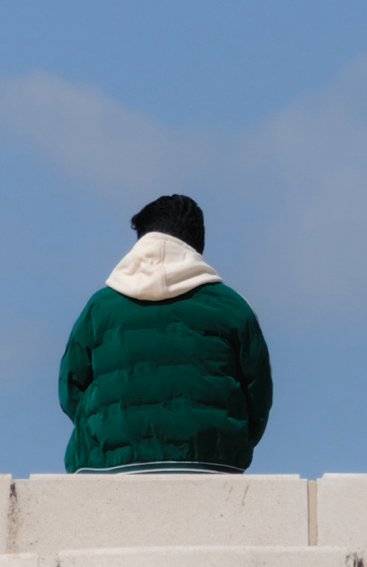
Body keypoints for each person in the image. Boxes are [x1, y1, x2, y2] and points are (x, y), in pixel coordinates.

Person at [59, 193, 272, 474]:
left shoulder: (100, 307)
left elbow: (70, 388)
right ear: (197, 246)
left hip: (107, 465)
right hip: (213, 463)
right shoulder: (232, 307)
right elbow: (258, 395)